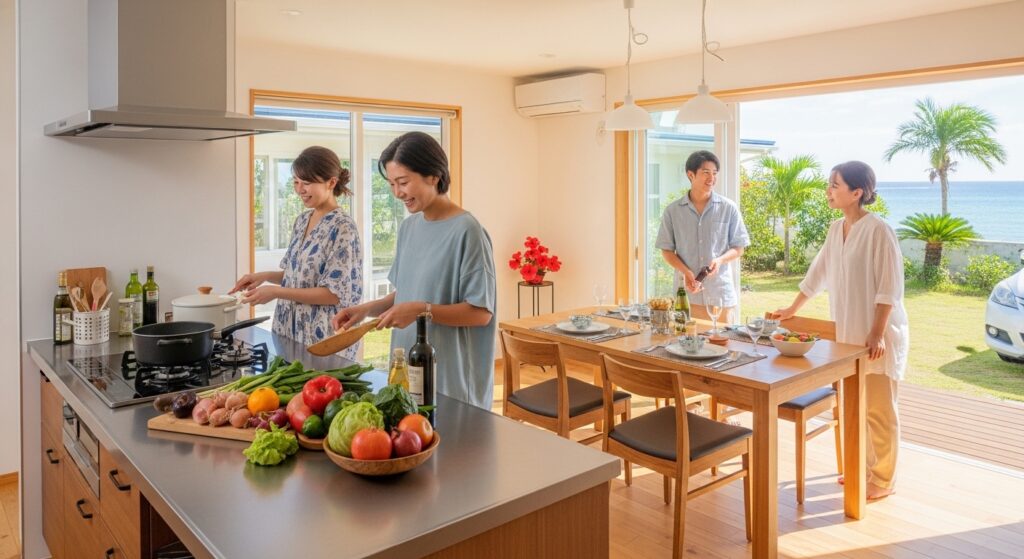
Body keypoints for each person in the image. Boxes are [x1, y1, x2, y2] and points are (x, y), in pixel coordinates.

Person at [769, 161, 909, 501]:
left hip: (877, 337)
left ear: (856, 192)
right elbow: (817, 274)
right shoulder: (836, 229)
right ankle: (861, 468)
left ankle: (884, 479)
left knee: (879, 409)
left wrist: (876, 333)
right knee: (855, 406)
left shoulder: (879, 230)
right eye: (829, 184)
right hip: (848, 337)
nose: (828, 190)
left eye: (835, 185)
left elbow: (889, 288)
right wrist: (792, 309)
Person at [332, 132, 497, 409]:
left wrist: (422, 310)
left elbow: (481, 313)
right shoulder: (409, 228)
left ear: (433, 175)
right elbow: (406, 293)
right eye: (392, 184)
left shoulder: (468, 231)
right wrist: (365, 310)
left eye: (404, 182)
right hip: (408, 374)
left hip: (452, 382)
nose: (397, 193)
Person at [230, 146, 363, 359]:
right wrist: (262, 278)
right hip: (287, 332)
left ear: (331, 182)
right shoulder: (302, 221)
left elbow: (333, 293)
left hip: (321, 340)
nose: (299, 189)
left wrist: (276, 293)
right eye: (296, 182)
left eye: (307, 183)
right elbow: (298, 276)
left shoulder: (343, 227)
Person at [656, 150, 749, 324]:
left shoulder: (729, 208)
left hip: (719, 295)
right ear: (690, 175)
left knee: (723, 345)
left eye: (715, 174)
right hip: (687, 296)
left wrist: (720, 260)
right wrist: (686, 272)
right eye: (706, 172)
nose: (711, 178)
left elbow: (738, 247)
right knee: (686, 345)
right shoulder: (673, 211)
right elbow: (667, 250)